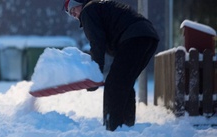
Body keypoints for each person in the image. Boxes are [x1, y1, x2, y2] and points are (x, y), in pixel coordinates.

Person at [63, 0, 159, 131]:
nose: (72, 12)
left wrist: (95, 75)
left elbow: (97, 42)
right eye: (69, 12)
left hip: (135, 37)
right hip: (148, 36)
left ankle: (113, 128)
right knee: (124, 84)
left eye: (72, 7)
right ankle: (127, 127)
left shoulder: (88, 11)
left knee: (114, 85)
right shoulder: (98, 7)